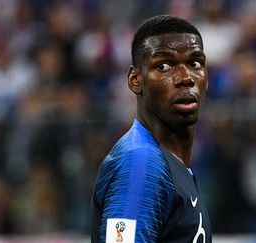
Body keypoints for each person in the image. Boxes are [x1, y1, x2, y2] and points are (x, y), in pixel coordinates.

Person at [90, 15, 212, 242]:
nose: (185, 77)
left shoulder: (170, 164)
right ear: (135, 80)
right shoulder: (140, 163)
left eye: (195, 63)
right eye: (164, 66)